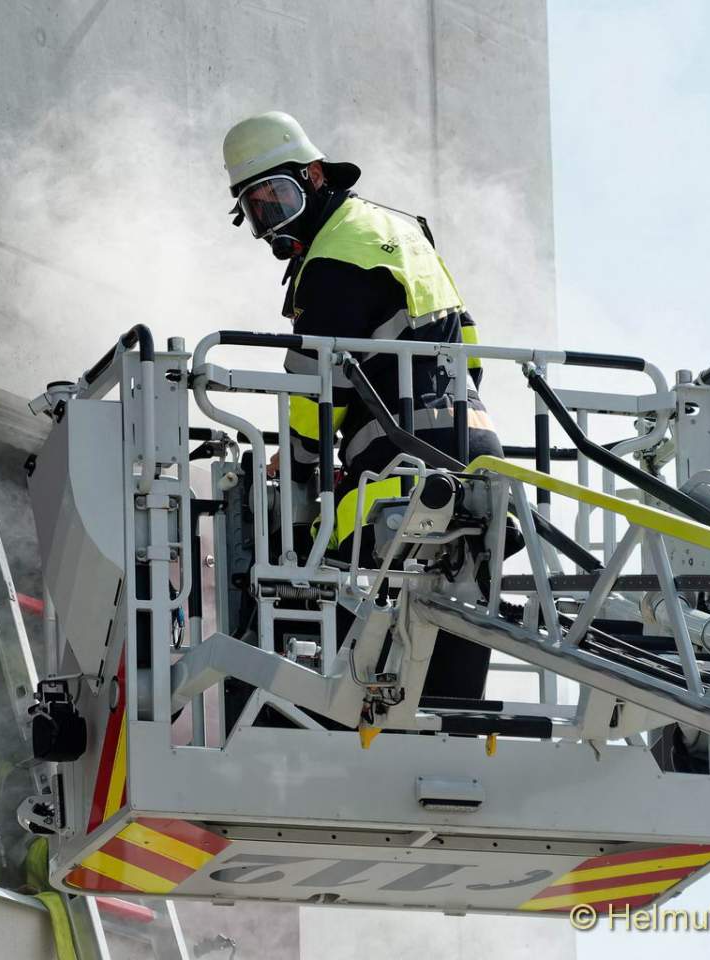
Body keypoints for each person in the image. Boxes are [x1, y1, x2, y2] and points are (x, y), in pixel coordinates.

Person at [223, 111, 511, 701]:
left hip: (397, 465)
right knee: (457, 593)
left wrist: (297, 466)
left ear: (315, 175)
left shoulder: (332, 259)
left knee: (317, 563)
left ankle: (307, 702)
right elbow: (470, 348)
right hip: (476, 446)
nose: (273, 222)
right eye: (258, 211)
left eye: (278, 199)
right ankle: (448, 715)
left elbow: (314, 390)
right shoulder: (404, 231)